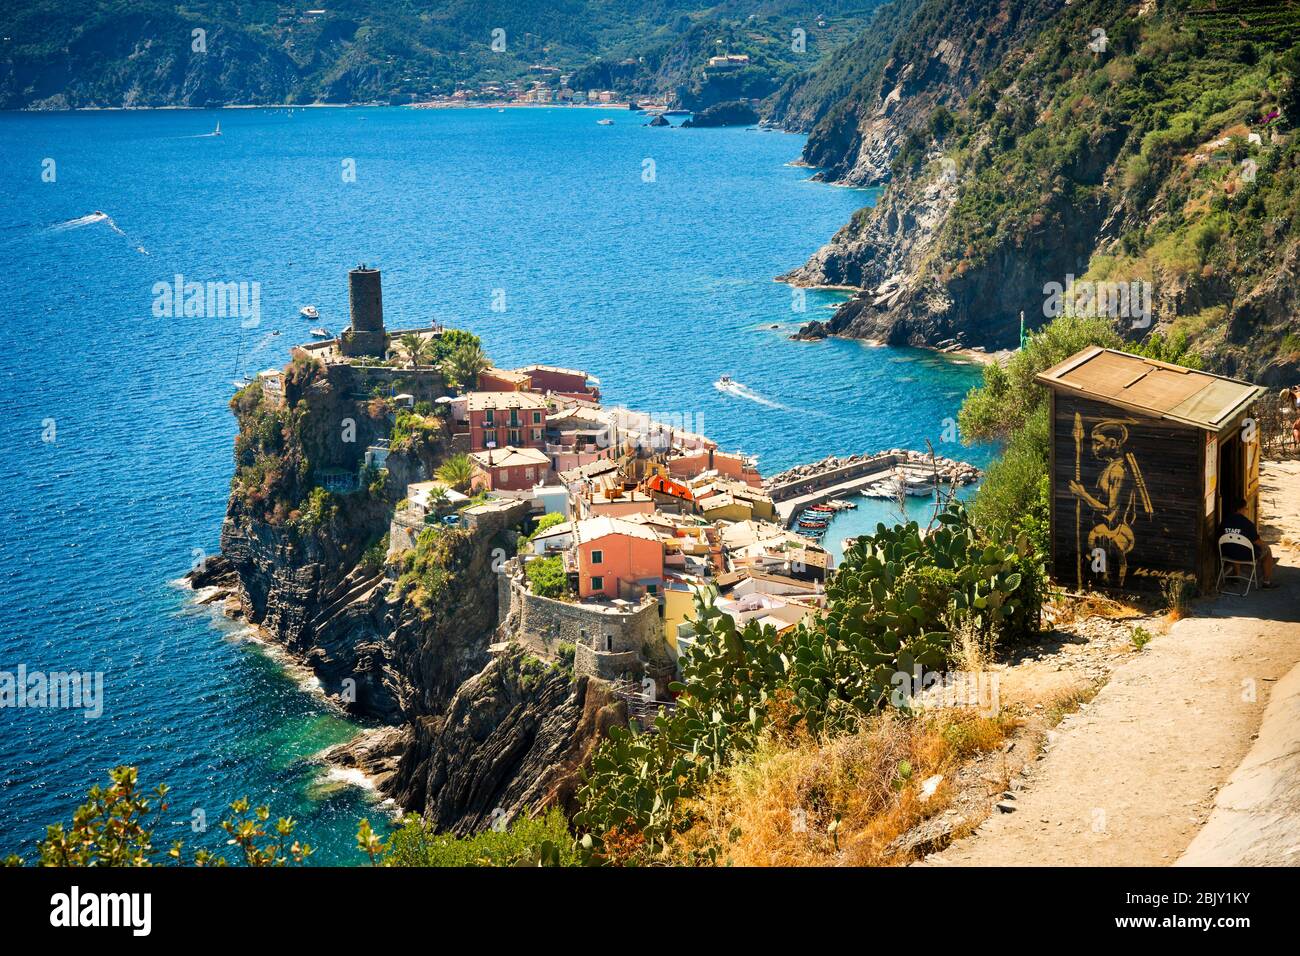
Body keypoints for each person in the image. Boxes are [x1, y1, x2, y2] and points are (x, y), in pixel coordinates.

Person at [1221, 496, 1276, 589]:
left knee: (1234, 545)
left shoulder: (1224, 521)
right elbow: (1258, 542)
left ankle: (1236, 577)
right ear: (1242, 508)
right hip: (1245, 555)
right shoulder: (1248, 524)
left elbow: (1220, 537)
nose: (1246, 510)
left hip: (1227, 553)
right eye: (1246, 508)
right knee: (1267, 551)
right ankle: (1266, 582)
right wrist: (1265, 546)